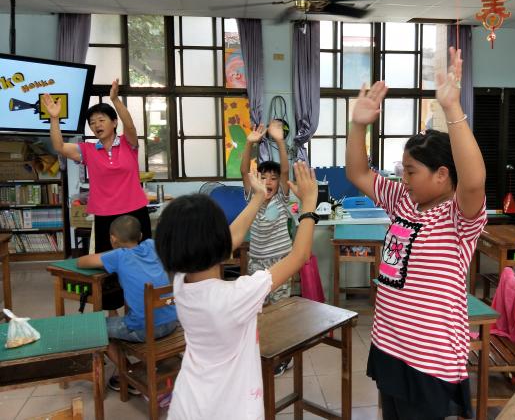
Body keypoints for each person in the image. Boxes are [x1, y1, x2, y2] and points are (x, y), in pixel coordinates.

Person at [346, 47, 487, 420]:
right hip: (390, 342)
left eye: (411, 171)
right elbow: (358, 173)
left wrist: (452, 109)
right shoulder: (403, 200)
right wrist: (358, 125)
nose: (403, 178)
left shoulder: (458, 217)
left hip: (429, 356)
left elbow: (474, 180)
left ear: (441, 174)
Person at [155, 162, 318, 420]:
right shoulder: (237, 296)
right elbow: (299, 256)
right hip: (233, 410)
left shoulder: (181, 282)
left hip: (187, 404)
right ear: (217, 241)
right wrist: (309, 205)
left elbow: (233, 237)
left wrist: (257, 197)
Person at [43, 79, 150, 254]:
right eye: (92, 122)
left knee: (141, 255)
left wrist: (115, 99)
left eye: (101, 120)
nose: (96, 125)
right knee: (106, 260)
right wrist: (54, 118)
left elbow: (130, 125)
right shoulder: (88, 150)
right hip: (104, 214)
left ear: (114, 122)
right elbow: (59, 146)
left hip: (135, 210)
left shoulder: (128, 143)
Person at [77, 215, 178, 394]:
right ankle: (146, 367)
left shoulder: (118, 256)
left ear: (113, 239)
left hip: (145, 330)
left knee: (96, 329)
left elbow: (82, 262)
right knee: (133, 315)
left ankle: (131, 375)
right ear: (140, 235)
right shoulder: (152, 245)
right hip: (171, 322)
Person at [240, 119, 292, 305]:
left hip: (281, 260)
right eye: (263, 177)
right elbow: (244, 171)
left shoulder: (281, 198)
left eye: (273, 178)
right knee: (257, 307)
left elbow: (285, 171)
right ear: (256, 180)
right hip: (257, 261)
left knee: (281, 308)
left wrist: (280, 141)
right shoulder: (253, 198)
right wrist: (249, 143)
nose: (268, 181)